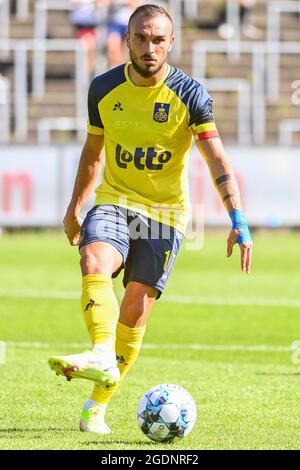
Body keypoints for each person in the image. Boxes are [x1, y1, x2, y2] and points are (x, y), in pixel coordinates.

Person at [48, 3, 253, 434]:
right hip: (115, 200)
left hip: (165, 214)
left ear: (171, 43)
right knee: (94, 261)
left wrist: (238, 217)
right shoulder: (103, 88)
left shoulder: (190, 94)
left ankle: (95, 408)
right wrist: (74, 206)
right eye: (140, 38)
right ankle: (101, 352)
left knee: (134, 311)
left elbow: (217, 160)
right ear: (127, 39)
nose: (149, 47)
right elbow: (93, 152)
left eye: (158, 39)